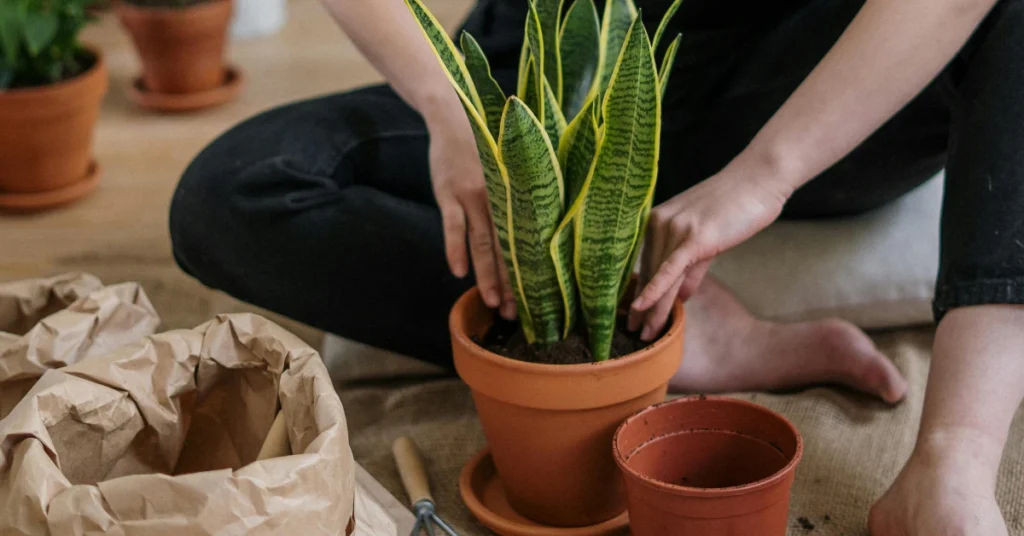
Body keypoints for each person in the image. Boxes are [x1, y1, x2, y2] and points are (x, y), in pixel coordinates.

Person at [169, 0, 1024, 533]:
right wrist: (448, 106)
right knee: (235, 191)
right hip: (539, 69)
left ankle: (949, 464)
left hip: (799, 78)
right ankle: (652, 327)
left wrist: (769, 173)